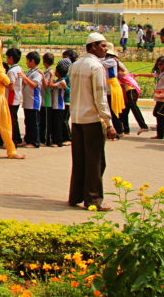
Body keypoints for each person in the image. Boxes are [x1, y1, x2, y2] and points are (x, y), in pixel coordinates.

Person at [68, 32, 115, 211]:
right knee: (95, 161)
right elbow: (100, 97)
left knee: (79, 159)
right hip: (92, 119)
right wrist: (108, 123)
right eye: (103, 46)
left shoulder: (76, 65)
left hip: (77, 118)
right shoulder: (96, 67)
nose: (105, 50)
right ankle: (93, 199)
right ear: (93, 46)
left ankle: (75, 195)